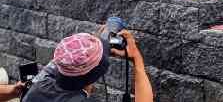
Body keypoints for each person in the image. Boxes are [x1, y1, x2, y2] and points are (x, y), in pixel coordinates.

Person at [24, 31, 153, 102]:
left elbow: (68, 56)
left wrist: (91, 42)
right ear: (95, 74)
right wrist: (137, 58)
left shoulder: (38, 86)